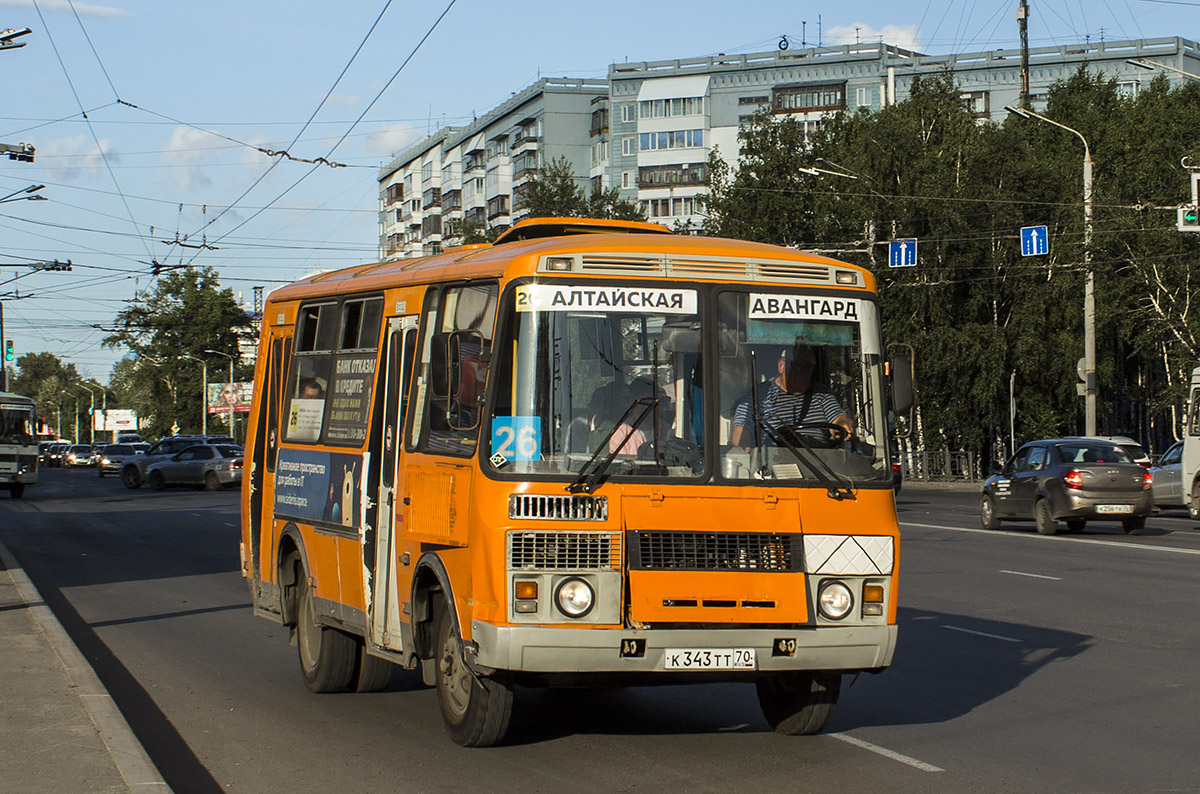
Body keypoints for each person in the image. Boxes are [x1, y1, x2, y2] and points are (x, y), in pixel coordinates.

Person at [730, 343, 854, 449]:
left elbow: (839, 418)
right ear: (781, 366)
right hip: (772, 465)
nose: (800, 373)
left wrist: (843, 425)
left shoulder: (821, 394)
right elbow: (742, 427)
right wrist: (742, 449)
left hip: (818, 464)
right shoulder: (760, 394)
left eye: (806, 368)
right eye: (795, 367)